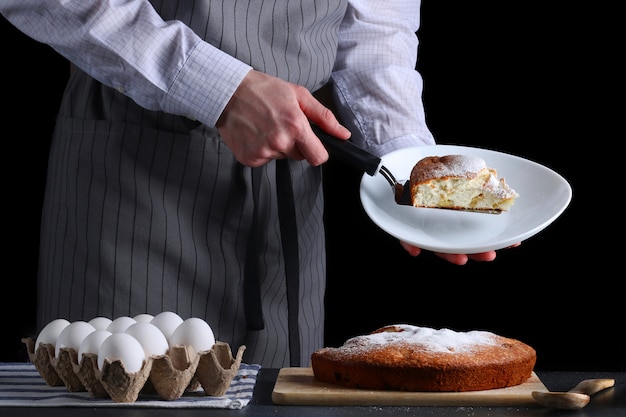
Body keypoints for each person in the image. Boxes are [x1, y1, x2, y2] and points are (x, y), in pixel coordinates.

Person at [1, 1, 519, 368]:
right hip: (133, 170)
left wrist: (407, 168)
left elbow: (374, 34)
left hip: (288, 187)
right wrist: (219, 89)